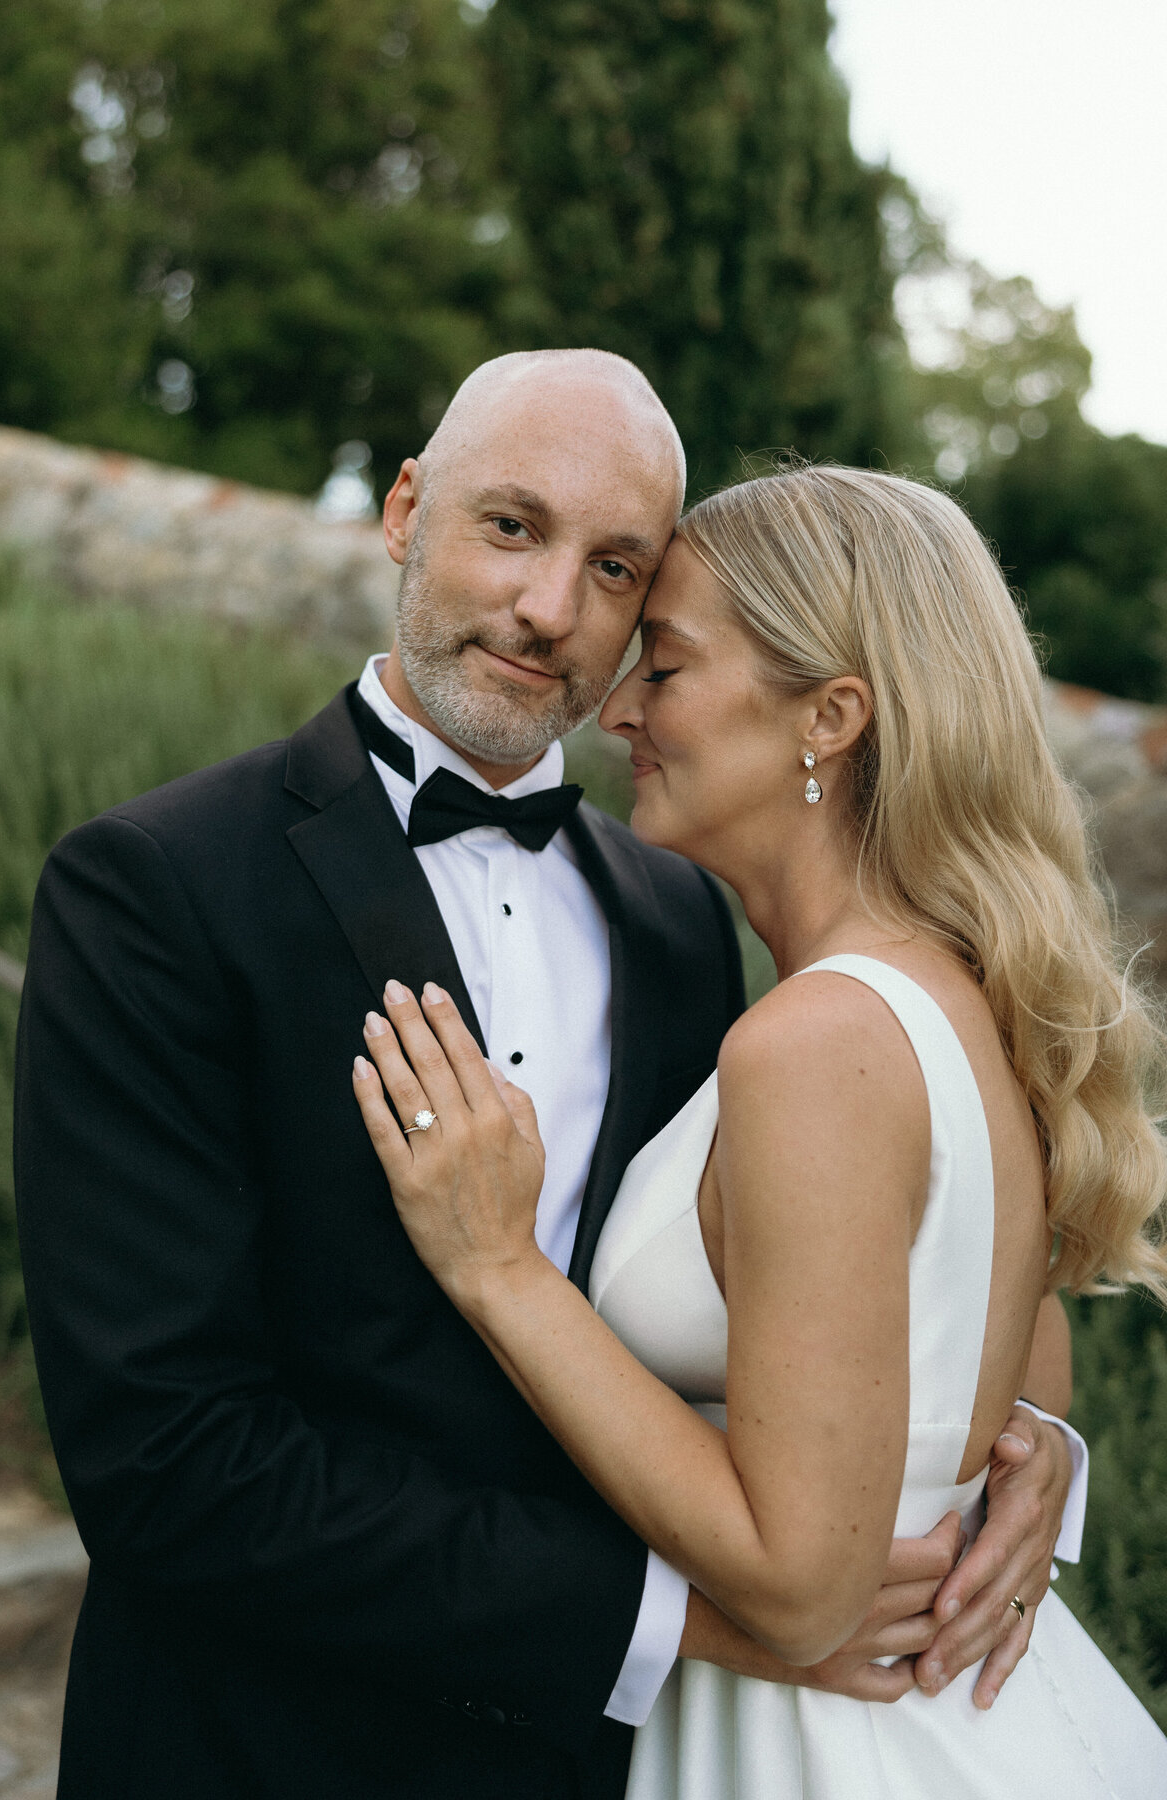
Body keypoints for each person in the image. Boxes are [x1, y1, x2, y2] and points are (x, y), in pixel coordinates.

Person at [16, 356, 1078, 1800]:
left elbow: (823, 1258)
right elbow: (171, 1465)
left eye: (618, 565)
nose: (550, 610)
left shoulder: (683, 915)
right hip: (260, 1744)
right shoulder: (156, 890)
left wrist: (1015, 1442)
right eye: (510, 527)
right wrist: (693, 1622)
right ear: (404, 510)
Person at [351, 462, 1167, 1797]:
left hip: (836, 1745)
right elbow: (1012, 1351)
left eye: (662, 668)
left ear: (831, 716)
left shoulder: (815, 1044)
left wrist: (499, 1268)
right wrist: (1030, 1466)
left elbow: (797, 1591)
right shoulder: (944, 992)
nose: (616, 708)